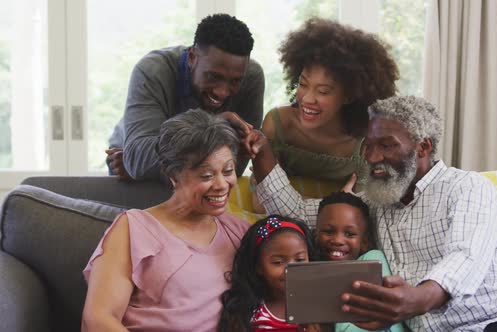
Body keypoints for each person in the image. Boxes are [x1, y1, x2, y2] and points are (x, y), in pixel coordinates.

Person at [248, 95, 497, 331]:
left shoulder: (467, 187)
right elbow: (298, 214)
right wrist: (261, 149)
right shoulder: (376, 202)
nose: (372, 157)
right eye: (369, 146)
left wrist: (417, 298)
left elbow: (466, 256)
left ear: (423, 147)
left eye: (387, 146)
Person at [82, 109, 251, 331]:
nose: (221, 184)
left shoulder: (239, 232)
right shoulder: (133, 229)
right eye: (207, 176)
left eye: (228, 171)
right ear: (173, 176)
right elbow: (98, 319)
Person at [251, 17, 399, 212]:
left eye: (323, 91)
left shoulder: (366, 142)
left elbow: (363, 212)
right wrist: (336, 203)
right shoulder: (278, 124)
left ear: (348, 96)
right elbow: (260, 203)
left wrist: (293, 199)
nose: (307, 99)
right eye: (303, 85)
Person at [106, 13, 265, 181]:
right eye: (213, 76)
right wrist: (215, 131)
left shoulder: (251, 77)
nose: (223, 92)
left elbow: (234, 169)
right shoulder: (153, 70)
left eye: (235, 81)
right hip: (127, 165)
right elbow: (140, 162)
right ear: (191, 57)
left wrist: (157, 166)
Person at [316, 191, 404, 332]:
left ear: (364, 242)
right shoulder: (311, 274)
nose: (338, 240)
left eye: (349, 234)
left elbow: (392, 319)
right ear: (316, 235)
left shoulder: (371, 262)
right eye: (328, 231)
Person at [218, 214, 320, 331]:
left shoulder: (317, 307)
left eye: (300, 259)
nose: (291, 268)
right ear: (258, 266)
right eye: (278, 262)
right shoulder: (248, 314)